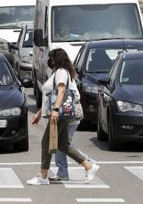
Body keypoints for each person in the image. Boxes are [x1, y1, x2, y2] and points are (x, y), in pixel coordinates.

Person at [26, 48, 99, 185]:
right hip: (62, 113)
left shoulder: (61, 72)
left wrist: (55, 110)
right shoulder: (62, 72)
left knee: (46, 143)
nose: (50, 61)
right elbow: (51, 97)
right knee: (63, 145)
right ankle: (89, 166)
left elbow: (61, 92)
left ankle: (43, 175)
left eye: (52, 58)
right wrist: (40, 113)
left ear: (56, 59)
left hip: (59, 114)